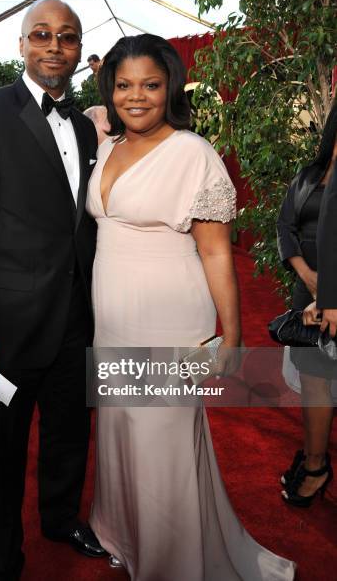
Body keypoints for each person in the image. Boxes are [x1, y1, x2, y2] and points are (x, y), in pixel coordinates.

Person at [86, 34, 296, 581]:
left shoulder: (191, 152)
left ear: (170, 87)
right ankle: (127, 537)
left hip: (170, 316)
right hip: (112, 317)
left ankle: (171, 565)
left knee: (163, 446)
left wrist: (232, 335)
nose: (137, 97)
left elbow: (216, 251)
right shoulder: (107, 144)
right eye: (124, 85)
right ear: (109, 88)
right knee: (121, 433)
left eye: (150, 85)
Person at [0, 0, 105, 580]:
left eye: (67, 36)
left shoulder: (86, 126)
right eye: (42, 34)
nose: (55, 45)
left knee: (69, 435)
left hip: (74, 322)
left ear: (80, 51)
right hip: (5, 331)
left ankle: (60, 518)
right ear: (22, 46)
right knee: (2, 453)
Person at [277, 102, 336, 507]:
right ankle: (316, 463)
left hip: (332, 300)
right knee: (314, 385)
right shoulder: (311, 174)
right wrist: (306, 274)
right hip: (308, 292)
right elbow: (285, 225)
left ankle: (316, 466)